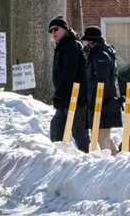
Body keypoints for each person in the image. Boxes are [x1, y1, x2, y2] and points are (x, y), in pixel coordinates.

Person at [48, 16, 89, 152]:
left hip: (75, 98)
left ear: (65, 29)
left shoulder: (72, 46)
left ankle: (88, 158)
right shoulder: (62, 46)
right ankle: (58, 156)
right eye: (51, 31)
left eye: (56, 29)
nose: (53, 32)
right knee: (57, 126)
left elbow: (68, 73)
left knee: (78, 130)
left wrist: (59, 94)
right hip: (65, 98)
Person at [81, 26, 123, 154]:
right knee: (102, 137)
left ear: (91, 41)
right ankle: (118, 160)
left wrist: (95, 100)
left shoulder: (100, 55)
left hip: (104, 103)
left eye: (85, 40)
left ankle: (112, 164)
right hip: (100, 102)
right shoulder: (97, 53)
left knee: (101, 138)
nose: (84, 43)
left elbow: (102, 80)